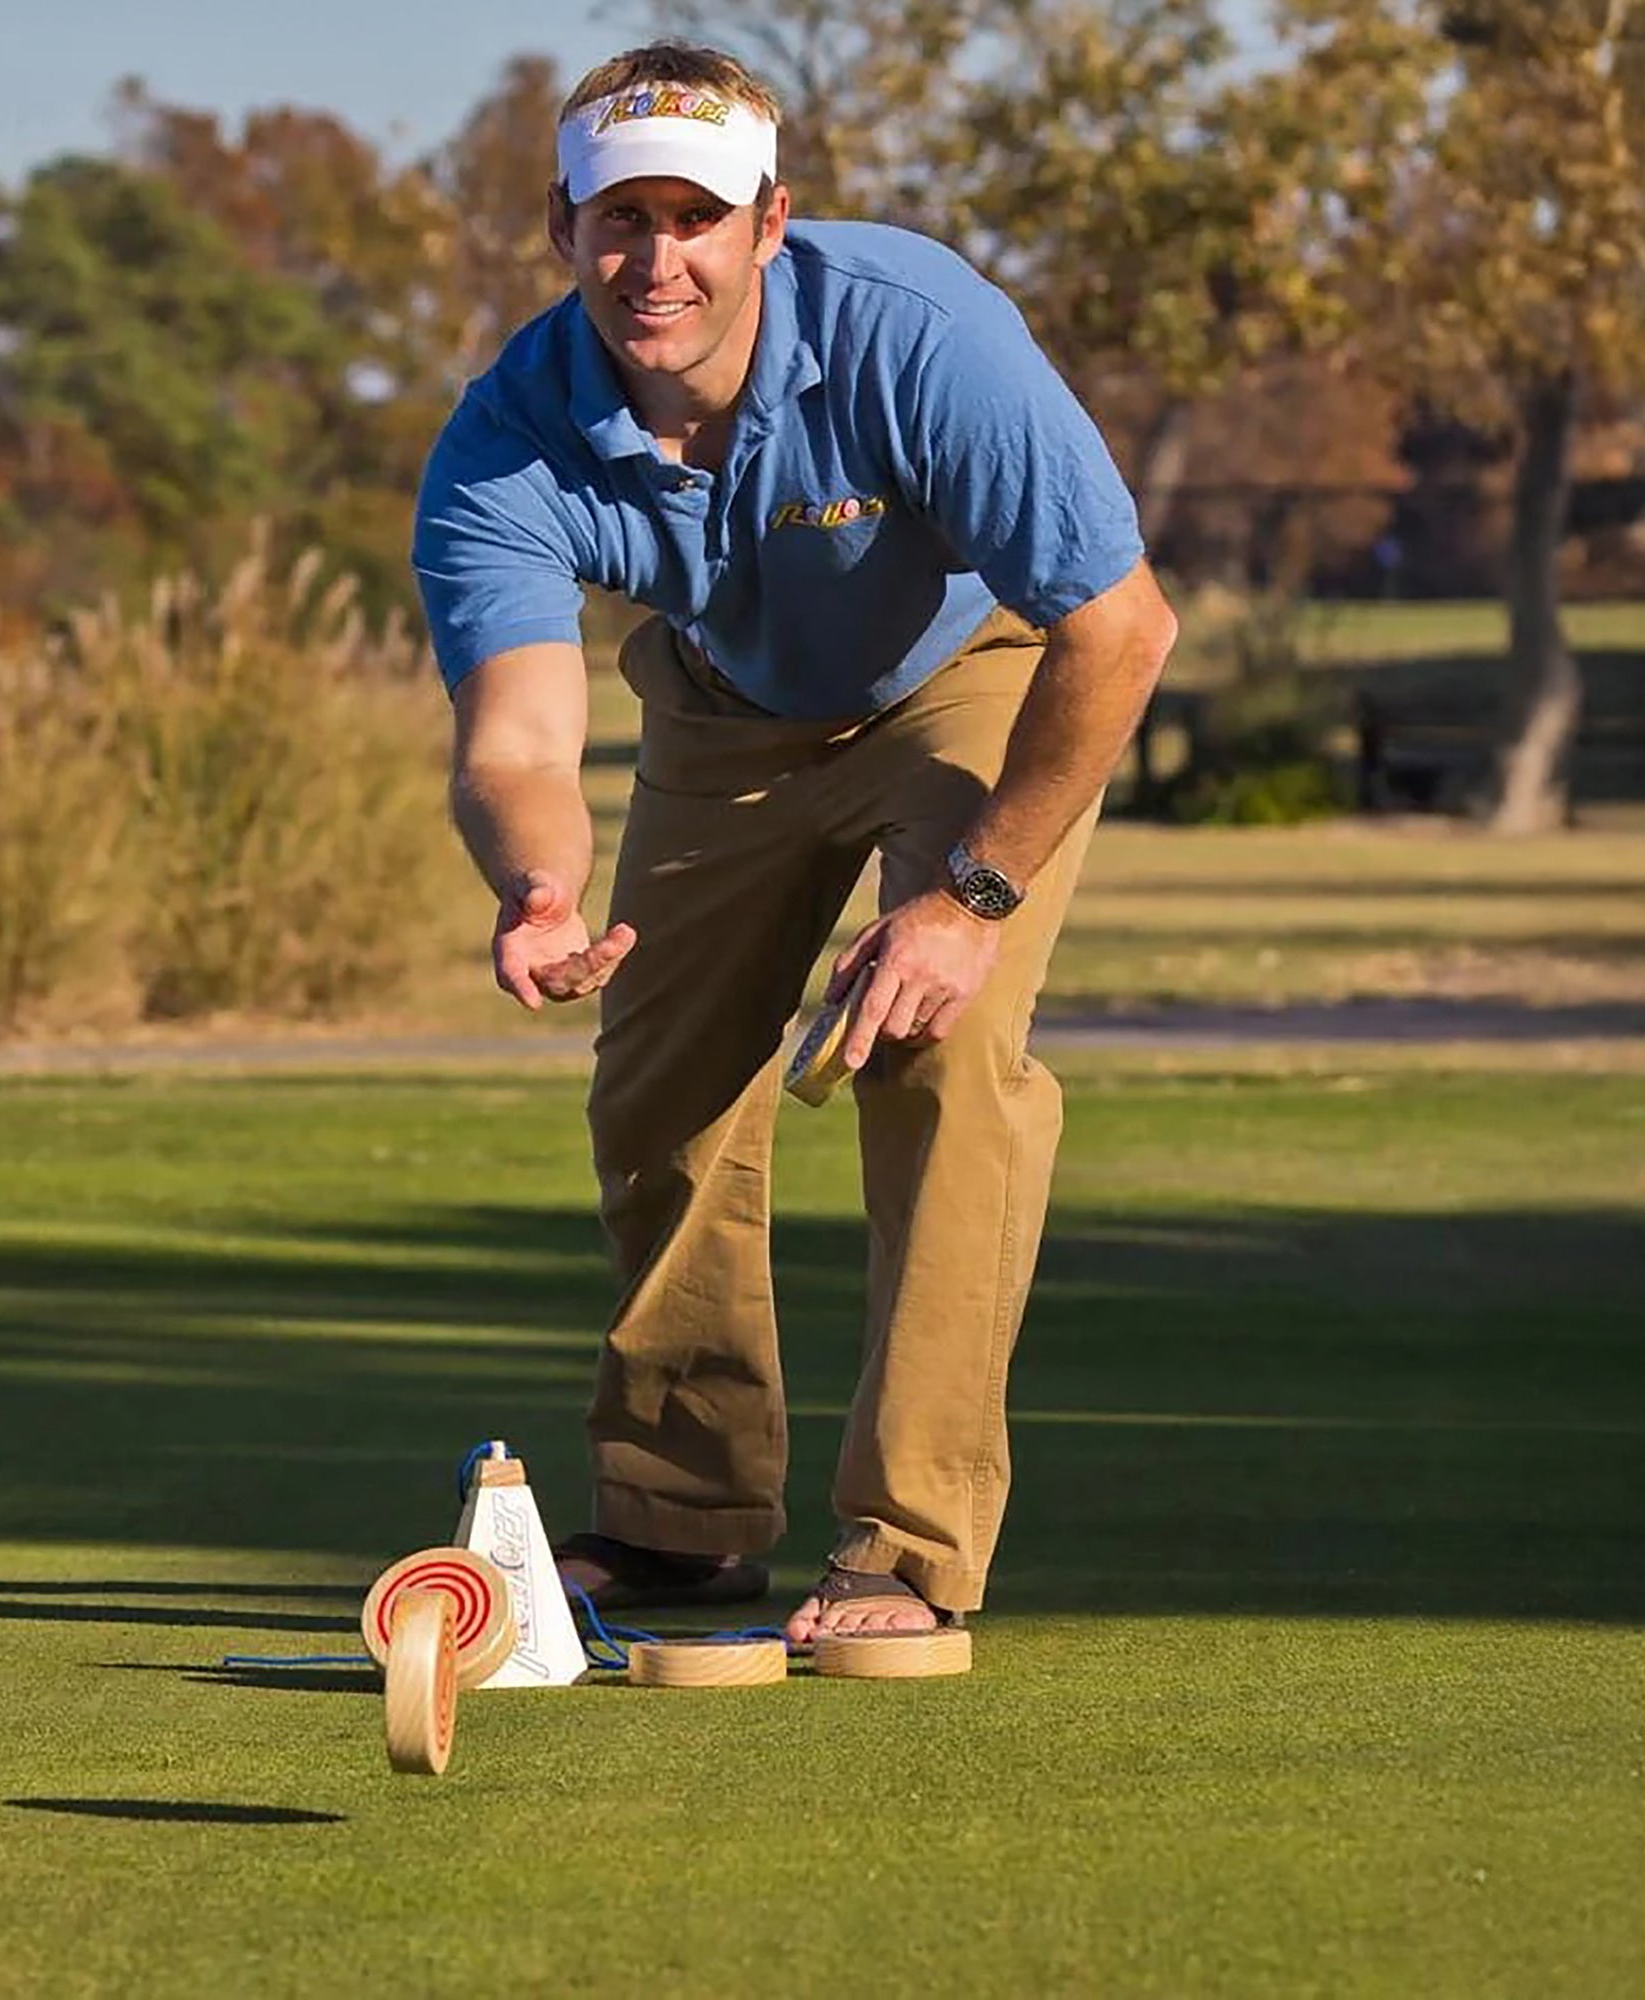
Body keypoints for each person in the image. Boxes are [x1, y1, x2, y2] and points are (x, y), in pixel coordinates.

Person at [411, 42, 1177, 1643]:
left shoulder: (919, 333)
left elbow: (1120, 629)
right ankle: (681, 1520)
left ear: (770, 223)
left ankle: (909, 1547)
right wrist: (537, 883)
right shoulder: (506, 436)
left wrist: (969, 898)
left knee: (936, 1051)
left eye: (698, 217)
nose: (658, 261)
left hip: (972, 677)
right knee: (661, 1080)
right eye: (623, 219)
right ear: (562, 229)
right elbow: (520, 741)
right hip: (724, 707)